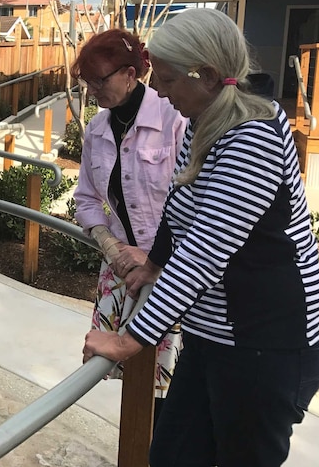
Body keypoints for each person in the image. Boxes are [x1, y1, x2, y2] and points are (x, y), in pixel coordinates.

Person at [83, 8, 319, 467]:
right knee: (173, 454)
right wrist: (153, 265)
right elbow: (180, 206)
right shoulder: (206, 118)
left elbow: (203, 255)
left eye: (170, 80)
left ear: (210, 76)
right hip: (213, 337)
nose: (158, 90)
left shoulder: (251, 138)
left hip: (264, 346)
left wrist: (126, 341)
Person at [71, 29, 187, 425]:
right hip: (121, 268)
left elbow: (193, 202)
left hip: (174, 271)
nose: (92, 90)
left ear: (131, 74)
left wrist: (155, 256)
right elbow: (86, 199)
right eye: (87, 82)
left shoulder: (175, 119)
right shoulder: (97, 130)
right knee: (122, 369)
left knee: (168, 381)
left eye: (99, 80)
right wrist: (110, 246)